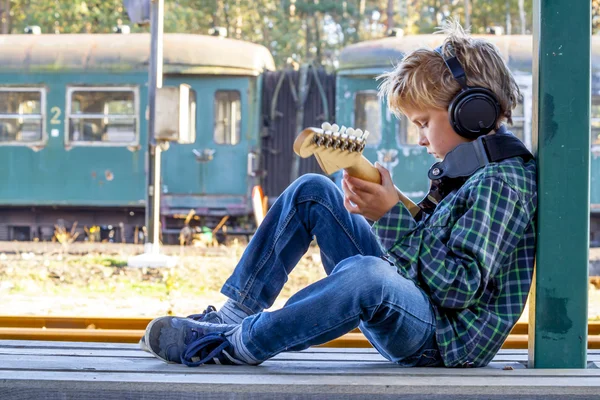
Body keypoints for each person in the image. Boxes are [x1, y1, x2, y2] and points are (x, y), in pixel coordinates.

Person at [140, 20, 537, 368]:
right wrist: (393, 207)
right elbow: (432, 252)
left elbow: (457, 287)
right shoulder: (472, 169)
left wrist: (389, 217)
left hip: (442, 340)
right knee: (313, 191)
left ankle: (237, 344)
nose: (418, 139)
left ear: (471, 112)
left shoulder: (500, 182)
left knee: (368, 276)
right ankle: (232, 314)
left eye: (423, 123)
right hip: (416, 302)